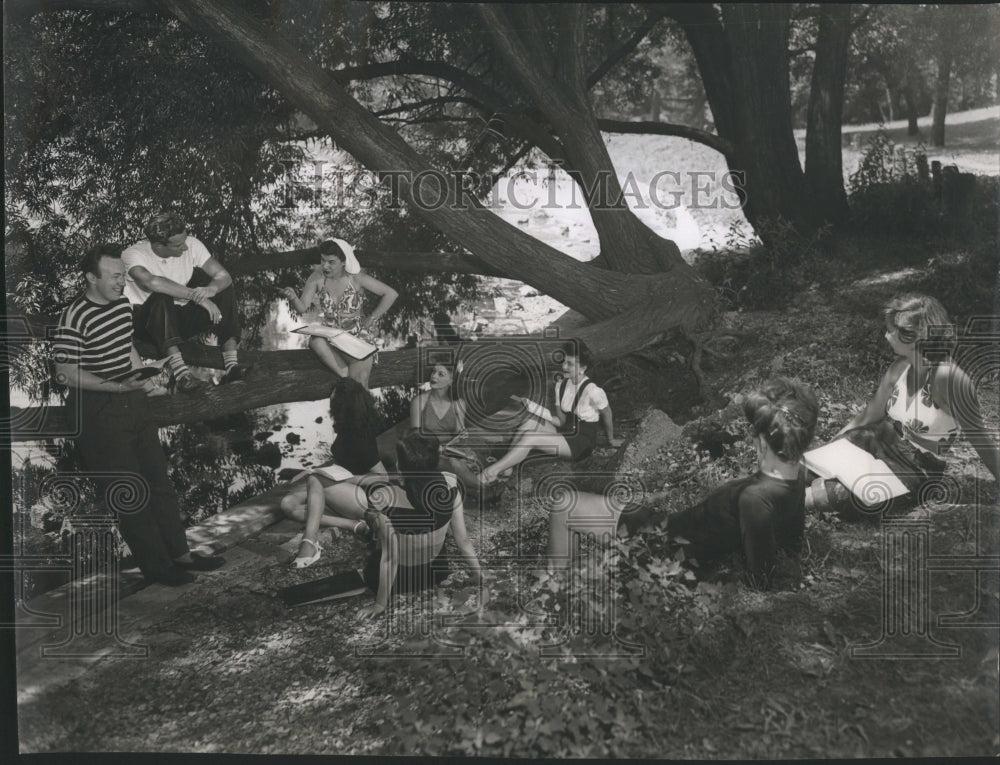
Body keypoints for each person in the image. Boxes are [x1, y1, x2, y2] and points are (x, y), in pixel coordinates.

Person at [52, 244, 225, 586]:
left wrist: (143, 379)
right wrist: (115, 387)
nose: (122, 282)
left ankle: (181, 555)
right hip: (97, 411)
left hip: (132, 400)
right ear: (90, 278)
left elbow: (126, 346)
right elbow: (64, 374)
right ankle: (158, 569)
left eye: (122, 275)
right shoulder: (73, 316)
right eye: (115, 276)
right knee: (129, 494)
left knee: (159, 483)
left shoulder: (120, 305)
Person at [551, 378, 818, 591]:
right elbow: (792, 543)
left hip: (662, 546)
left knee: (564, 503)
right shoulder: (795, 474)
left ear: (760, 441)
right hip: (671, 529)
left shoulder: (755, 499)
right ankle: (569, 583)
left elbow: (762, 578)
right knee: (611, 501)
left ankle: (554, 593)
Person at [806, 294, 1000, 518]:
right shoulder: (899, 367)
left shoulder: (950, 378)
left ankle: (783, 505)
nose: (886, 336)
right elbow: (867, 417)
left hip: (915, 467)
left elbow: (980, 439)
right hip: (879, 439)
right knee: (806, 467)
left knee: (841, 495)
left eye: (891, 330)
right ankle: (773, 494)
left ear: (914, 336)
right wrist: (828, 450)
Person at [288, 432, 482, 618]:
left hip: (400, 581)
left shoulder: (384, 500)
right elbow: (462, 541)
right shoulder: (451, 484)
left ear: (400, 466)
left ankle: (348, 528)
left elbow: (390, 559)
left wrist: (380, 604)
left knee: (329, 489)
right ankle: (358, 524)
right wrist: (479, 577)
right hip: (435, 572)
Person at [122, 212, 249, 393]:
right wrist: (195, 296)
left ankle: (232, 367)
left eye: (184, 241)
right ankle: (182, 375)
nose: (185, 248)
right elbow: (151, 282)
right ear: (158, 245)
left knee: (225, 289)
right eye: (178, 245)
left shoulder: (191, 244)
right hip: (147, 324)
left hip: (177, 321)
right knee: (160, 295)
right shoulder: (133, 254)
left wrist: (210, 291)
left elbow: (224, 276)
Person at [479, 340, 623, 485]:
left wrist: (611, 440)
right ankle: (507, 468)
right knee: (530, 422)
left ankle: (490, 473)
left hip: (581, 443)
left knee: (530, 437)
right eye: (564, 362)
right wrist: (534, 407)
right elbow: (560, 421)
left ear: (583, 368)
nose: (564, 367)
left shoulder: (593, 391)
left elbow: (607, 414)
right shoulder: (560, 386)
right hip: (565, 432)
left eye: (570, 364)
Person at [280, 378, 387, 567]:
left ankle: (310, 543)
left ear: (344, 403)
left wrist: (350, 479)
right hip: (338, 488)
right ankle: (354, 526)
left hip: (362, 498)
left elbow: (383, 477)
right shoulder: (346, 427)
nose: (330, 398)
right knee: (288, 504)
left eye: (334, 396)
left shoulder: (361, 437)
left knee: (316, 480)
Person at [281, 239, 398, 387]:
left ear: (343, 261)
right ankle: (345, 374)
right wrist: (293, 298)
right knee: (315, 341)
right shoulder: (316, 278)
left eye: (331, 262)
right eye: (322, 260)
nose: (325, 266)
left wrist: (371, 318)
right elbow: (302, 308)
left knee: (360, 383)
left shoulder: (355, 277)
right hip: (331, 336)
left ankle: (351, 382)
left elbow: (391, 294)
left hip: (356, 337)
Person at [409, 360, 482, 494]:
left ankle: (468, 486)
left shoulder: (458, 403)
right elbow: (414, 438)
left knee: (467, 462)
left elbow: (459, 434)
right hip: (426, 452)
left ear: (451, 380)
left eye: (440, 374)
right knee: (454, 464)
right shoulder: (418, 402)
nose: (433, 376)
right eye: (433, 372)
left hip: (451, 449)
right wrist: (435, 447)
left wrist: (462, 433)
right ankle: (485, 488)